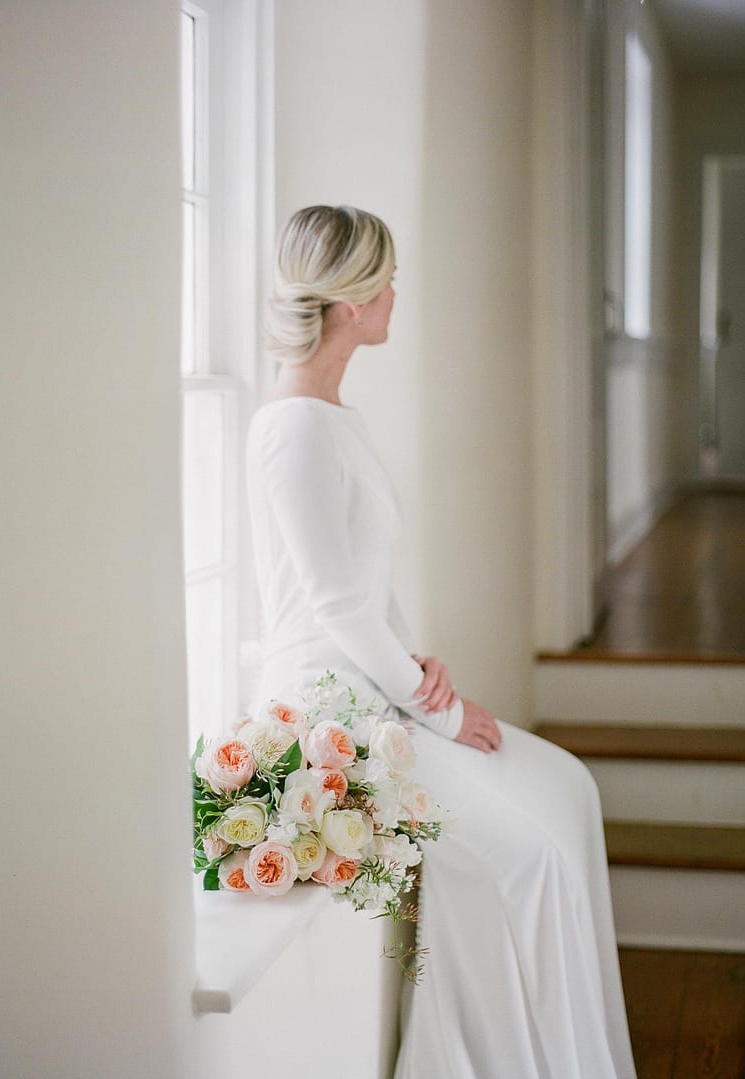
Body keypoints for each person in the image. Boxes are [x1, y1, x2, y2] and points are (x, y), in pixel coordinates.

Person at [247, 204, 637, 1079]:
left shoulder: (334, 417)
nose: (394, 292)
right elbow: (333, 609)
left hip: (377, 688)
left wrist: (421, 670)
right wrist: (446, 714)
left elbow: (367, 591)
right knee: (528, 858)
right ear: (350, 301)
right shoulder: (293, 427)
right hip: (325, 715)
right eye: (383, 279)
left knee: (566, 787)